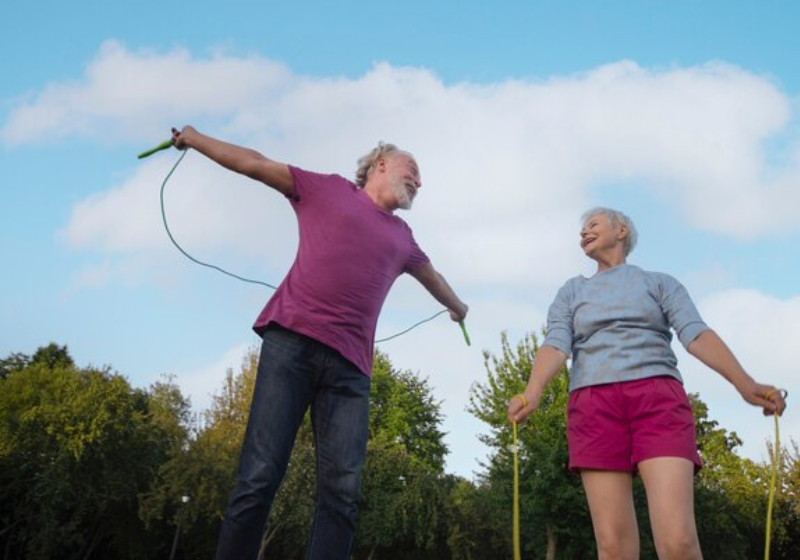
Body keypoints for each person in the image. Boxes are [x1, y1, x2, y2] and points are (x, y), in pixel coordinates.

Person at [171, 126, 468, 560]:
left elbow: (433, 277)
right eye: (413, 170)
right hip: (291, 346)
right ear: (381, 162)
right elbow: (254, 163)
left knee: (342, 495)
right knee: (259, 477)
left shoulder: (403, 239)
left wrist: (458, 306)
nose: (419, 182)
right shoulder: (327, 189)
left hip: (350, 373)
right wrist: (195, 139)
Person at [506, 207, 786, 560]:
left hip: (657, 399)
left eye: (592, 225)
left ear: (621, 230)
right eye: (581, 230)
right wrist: (533, 391)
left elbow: (695, 334)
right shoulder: (572, 291)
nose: (583, 233)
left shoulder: (660, 283)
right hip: (593, 406)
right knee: (614, 546)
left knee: (678, 542)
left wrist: (744, 383)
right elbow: (556, 342)